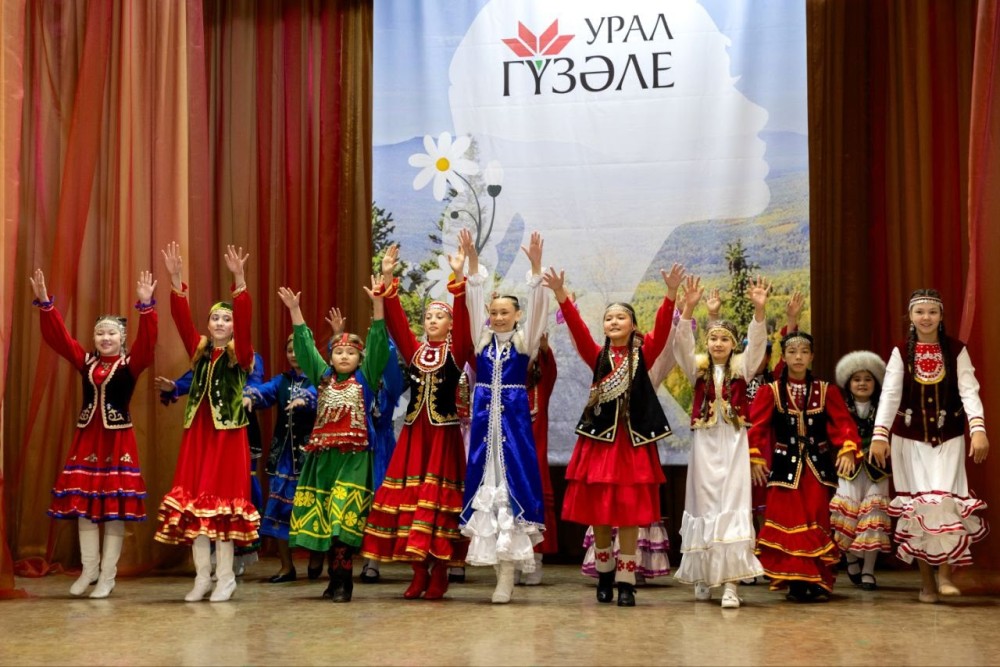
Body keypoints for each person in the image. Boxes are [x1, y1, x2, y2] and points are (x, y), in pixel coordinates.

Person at [541, 263, 685, 607]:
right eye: (609, 318)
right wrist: (561, 296)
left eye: (621, 317)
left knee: (630, 513)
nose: (614, 322)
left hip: (632, 445)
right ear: (604, 326)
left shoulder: (644, 354)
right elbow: (577, 330)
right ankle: (605, 576)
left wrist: (670, 294)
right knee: (600, 512)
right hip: (600, 444)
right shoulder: (597, 355)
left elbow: (662, 329)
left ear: (633, 325)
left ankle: (626, 582)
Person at [29, 268, 157, 598]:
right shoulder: (86, 362)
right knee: (83, 504)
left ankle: (108, 576)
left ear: (122, 338)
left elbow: (148, 344)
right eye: (100, 333)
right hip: (87, 438)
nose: (105, 338)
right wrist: (46, 303)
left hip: (118, 439)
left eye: (112, 333)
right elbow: (60, 340)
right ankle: (89, 569)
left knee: (113, 508)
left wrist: (146, 308)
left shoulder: (130, 365)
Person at [360, 244, 473, 600]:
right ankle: (419, 572)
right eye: (428, 317)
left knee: (437, 503)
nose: (432, 321)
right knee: (410, 503)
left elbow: (466, 326)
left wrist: (458, 277)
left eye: (440, 317)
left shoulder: (456, 352)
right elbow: (396, 324)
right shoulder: (416, 352)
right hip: (414, 436)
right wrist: (388, 275)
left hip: (442, 438)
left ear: (450, 325)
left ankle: (440, 572)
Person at [153, 243, 260, 603]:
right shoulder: (199, 350)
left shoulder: (240, 354)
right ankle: (202, 577)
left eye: (226, 319)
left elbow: (245, 322)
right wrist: (176, 280)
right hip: (198, 434)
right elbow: (182, 320)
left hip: (227, 436)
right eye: (215, 318)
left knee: (224, 506)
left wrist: (239, 280)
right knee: (196, 504)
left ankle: (225, 577)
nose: (220, 324)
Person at [871, 288, 989, 603]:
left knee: (946, 504)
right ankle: (927, 583)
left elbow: (969, 391)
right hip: (909, 442)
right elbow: (890, 395)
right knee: (919, 509)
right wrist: (880, 435)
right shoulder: (900, 352)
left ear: (941, 316)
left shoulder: (956, 350)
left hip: (949, 438)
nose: (926, 318)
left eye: (932, 312)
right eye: (920, 312)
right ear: (910, 317)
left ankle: (945, 575)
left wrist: (978, 429)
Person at [278, 278, 388, 602]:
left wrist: (378, 305)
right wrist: (295, 311)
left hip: (354, 460)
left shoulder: (365, 379)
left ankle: (344, 582)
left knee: (342, 517)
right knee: (326, 519)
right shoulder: (323, 378)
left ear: (360, 358)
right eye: (338, 352)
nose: (343, 356)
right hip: (322, 460)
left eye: (350, 352)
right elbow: (305, 350)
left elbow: (378, 343)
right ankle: (333, 581)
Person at [458, 229, 548, 603]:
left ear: (517, 316)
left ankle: (507, 577)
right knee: (487, 496)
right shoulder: (481, 342)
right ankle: (499, 574)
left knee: (511, 496)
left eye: (504, 313)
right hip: (484, 432)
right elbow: (472, 302)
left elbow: (539, 311)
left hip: (513, 430)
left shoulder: (525, 343)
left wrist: (537, 271)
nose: (496, 318)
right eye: (493, 313)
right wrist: (473, 263)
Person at [672, 274, 770, 609]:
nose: (717, 344)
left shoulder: (743, 368)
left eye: (724, 339)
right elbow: (681, 346)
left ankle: (731, 584)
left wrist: (759, 311)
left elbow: (757, 346)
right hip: (704, 444)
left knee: (733, 507)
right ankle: (703, 576)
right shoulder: (697, 368)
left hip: (733, 442)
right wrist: (688, 310)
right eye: (712, 338)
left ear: (733, 344)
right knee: (703, 506)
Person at [748, 331, 861, 602]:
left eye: (804, 352)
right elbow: (757, 428)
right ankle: (795, 581)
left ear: (811, 356)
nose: (798, 357)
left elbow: (842, 423)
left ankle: (818, 579)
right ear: (784, 357)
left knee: (816, 520)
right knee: (788, 522)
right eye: (792, 352)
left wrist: (848, 448)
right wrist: (755, 457)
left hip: (816, 468)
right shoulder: (770, 391)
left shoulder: (826, 390)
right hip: (784, 468)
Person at [154, 351, 266, 578]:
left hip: (237, 427)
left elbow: (255, 380)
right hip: (209, 431)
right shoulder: (205, 355)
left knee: (237, 490)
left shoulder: (249, 354)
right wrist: (174, 386)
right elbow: (193, 380)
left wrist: (249, 394)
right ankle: (211, 561)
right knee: (207, 492)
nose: (219, 329)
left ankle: (237, 555)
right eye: (215, 323)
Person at [322, 307, 407, 585]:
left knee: (378, 501)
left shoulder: (390, 384)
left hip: (381, 447)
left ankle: (373, 561)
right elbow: (331, 374)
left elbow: (389, 358)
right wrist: (337, 336)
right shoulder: (355, 380)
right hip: (354, 447)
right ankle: (342, 559)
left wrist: (383, 331)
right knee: (346, 502)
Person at [243, 335, 317, 583]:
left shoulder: (321, 378)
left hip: (311, 457)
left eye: (299, 349)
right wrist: (250, 395)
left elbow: (317, 394)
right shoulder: (282, 381)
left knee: (313, 508)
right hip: (284, 457)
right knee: (278, 510)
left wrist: (305, 399)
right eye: (290, 350)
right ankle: (286, 566)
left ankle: (317, 557)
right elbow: (265, 390)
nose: (294, 354)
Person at [829, 350, 891, 591]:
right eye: (857, 379)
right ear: (848, 383)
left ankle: (868, 571)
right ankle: (851, 558)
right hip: (850, 467)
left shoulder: (884, 408)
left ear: (876, 383)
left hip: (877, 469)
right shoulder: (840, 407)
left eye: (867, 379)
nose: (862, 383)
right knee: (848, 515)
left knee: (873, 516)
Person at [522, 330, 558, 585]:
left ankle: (535, 561)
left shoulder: (540, 385)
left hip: (535, 460)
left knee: (534, 507)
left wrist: (544, 348)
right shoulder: (507, 385)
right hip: (510, 458)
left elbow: (550, 369)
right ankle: (513, 562)